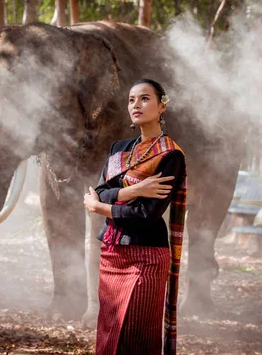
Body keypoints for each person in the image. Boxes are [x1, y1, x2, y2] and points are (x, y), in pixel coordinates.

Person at [84, 78, 187, 355]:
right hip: (111, 253)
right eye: (131, 100)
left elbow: (147, 215)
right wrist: (134, 191)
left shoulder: (170, 156)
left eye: (144, 98)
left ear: (161, 106)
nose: (136, 105)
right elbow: (99, 190)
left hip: (146, 257)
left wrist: (101, 208)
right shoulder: (119, 149)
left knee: (136, 338)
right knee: (108, 333)